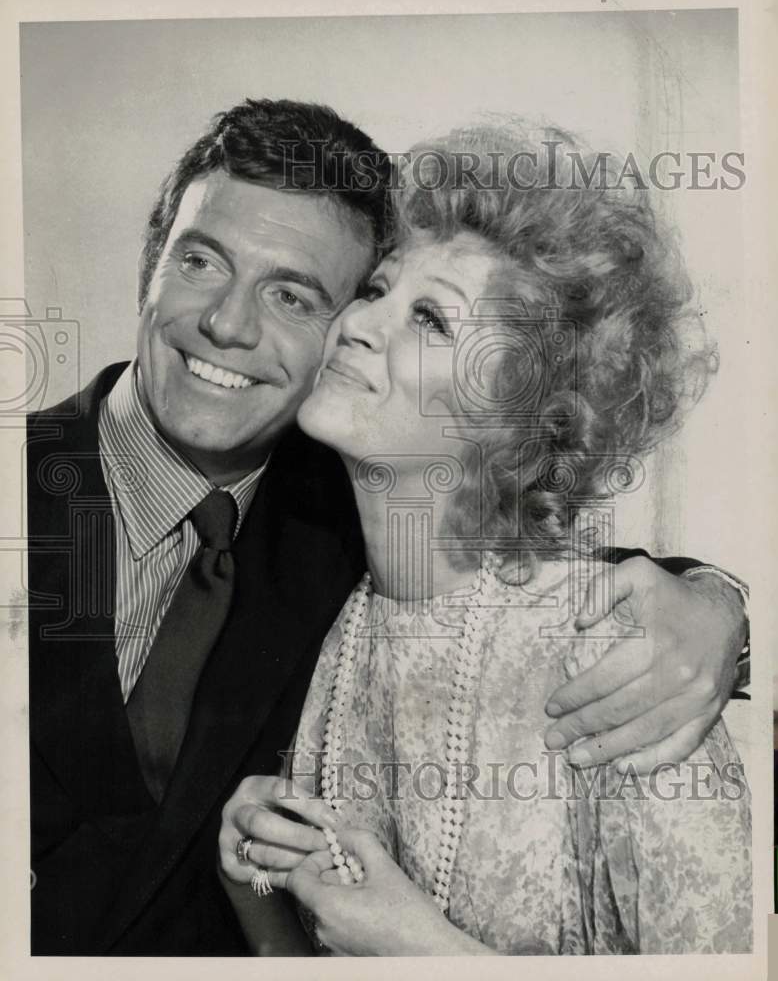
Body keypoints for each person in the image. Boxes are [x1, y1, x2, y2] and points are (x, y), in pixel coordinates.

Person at [27, 99, 748, 956]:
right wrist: (258, 894)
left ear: (517, 409)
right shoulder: (343, 583)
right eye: (199, 261)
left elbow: (552, 580)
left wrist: (723, 607)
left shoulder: (623, 668)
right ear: (149, 267)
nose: (231, 324)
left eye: (299, 295)